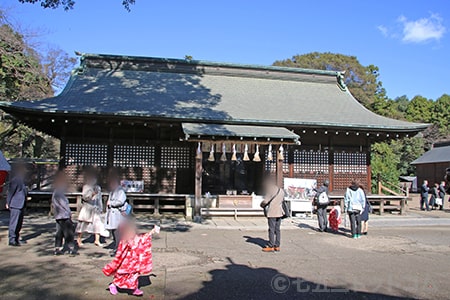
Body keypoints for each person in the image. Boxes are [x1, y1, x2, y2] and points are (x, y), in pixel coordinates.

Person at [103, 221, 157, 296]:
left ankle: (134, 288)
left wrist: (152, 231)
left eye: (133, 230)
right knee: (121, 274)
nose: (132, 232)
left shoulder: (135, 237)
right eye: (130, 230)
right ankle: (114, 285)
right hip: (125, 261)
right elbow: (123, 249)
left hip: (134, 261)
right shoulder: (125, 239)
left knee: (134, 275)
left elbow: (143, 238)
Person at [76, 170, 107, 246]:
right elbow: (85, 197)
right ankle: (79, 239)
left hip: (96, 208)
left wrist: (101, 207)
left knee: (98, 224)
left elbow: (99, 198)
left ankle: (97, 240)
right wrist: (92, 194)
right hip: (88, 208)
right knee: (83, 224)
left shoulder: (98, 187)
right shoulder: (86, 187)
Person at [52, 171, 76, 256]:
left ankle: (57, 248)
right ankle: (71, 248)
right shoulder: (59, 192)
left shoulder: (56, 192)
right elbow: (64, 204)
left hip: (58, 215)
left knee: (59, 232)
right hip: (64, 215)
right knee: (68, 232)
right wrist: (69, 213)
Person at [260, 178, 284, 252]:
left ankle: (271, 245)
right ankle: (277, 245)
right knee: (277, 229)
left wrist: (262, 204)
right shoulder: (281, 191)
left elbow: (266, 200)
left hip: (272, 211)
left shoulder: (270, 190)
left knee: (271, 229)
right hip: (279, 211)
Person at [105, 174, 127, 256]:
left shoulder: (120, 191)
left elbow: (120, 201)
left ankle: (118, 249)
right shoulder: (113, 191)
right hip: (113, 215)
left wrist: (111, 203)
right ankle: (117, 247)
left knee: (118, 233)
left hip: (118, 215)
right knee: (114, 232)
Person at [6, 164, 27, 247]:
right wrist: (8, 202)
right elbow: (11, 192)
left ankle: (16, 238)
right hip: (15, 204)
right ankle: (12, 239)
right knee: (14, 222)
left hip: (21, 203)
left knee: (19, 223)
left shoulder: (23, 180)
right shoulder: (15, 180)